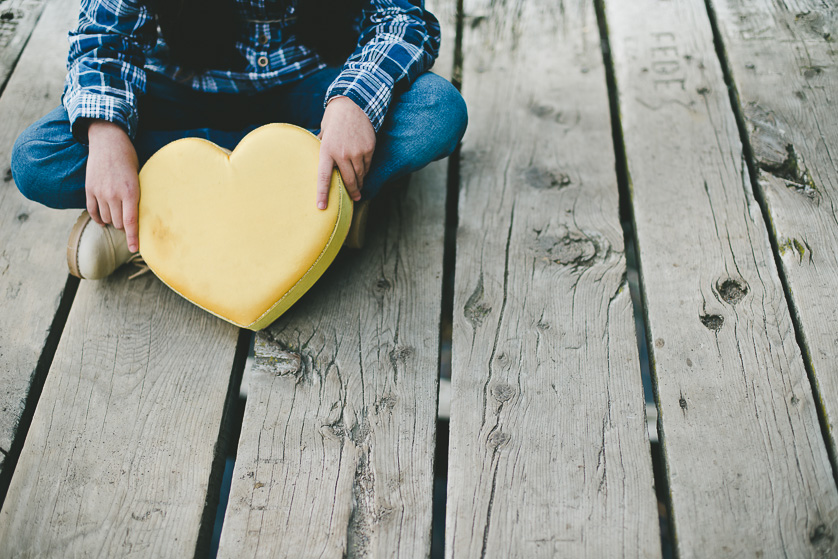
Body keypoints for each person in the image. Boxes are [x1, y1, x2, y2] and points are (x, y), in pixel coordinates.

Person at [11, 0, 467, 279]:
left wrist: (355, 100)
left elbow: (402, 19)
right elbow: (102, 38)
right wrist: (109, 137)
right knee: (38, 158)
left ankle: (157, 227)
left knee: (436, 111)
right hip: (186, 90)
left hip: (315, 91)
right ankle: (317, 213)